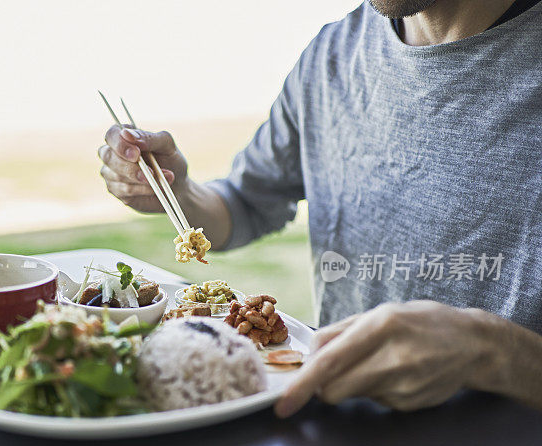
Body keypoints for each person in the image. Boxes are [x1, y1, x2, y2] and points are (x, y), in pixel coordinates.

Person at [97, 0, 542, 416]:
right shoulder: (331, 55)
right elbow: (247, 203)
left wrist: (492, 351)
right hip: (342, 435)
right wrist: (176, 191)